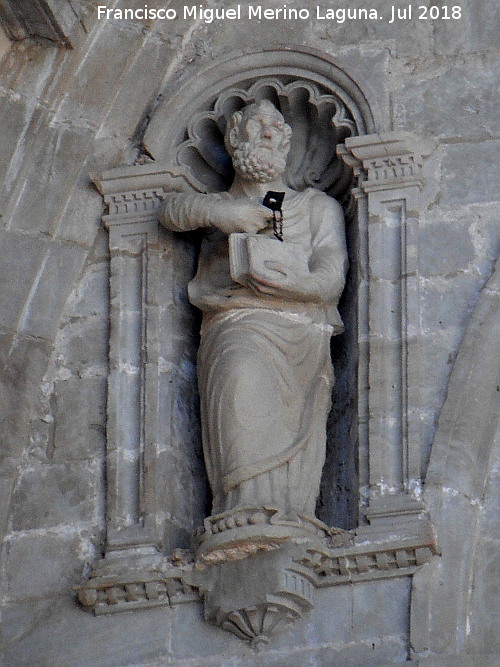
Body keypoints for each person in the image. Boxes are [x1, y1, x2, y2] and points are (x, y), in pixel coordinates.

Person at [159, 100, 347, 520]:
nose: (268, 133)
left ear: (286, 142)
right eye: (258, 125)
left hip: (299, 329)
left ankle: (288, 511)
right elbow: (170, 211)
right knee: (239, 377)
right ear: (234, 137)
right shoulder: (216, 206)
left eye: (277, 128)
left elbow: (331, 276)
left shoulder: (316, 207)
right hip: (236, 322)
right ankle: (242, 507)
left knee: (296, 416)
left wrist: (289, 283)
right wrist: (224, 213)